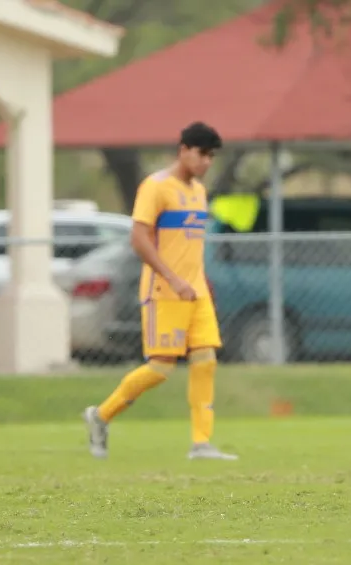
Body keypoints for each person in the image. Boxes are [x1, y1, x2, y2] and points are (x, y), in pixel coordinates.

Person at [83, 122, 237, 461]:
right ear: (184, 149)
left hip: (196, 293)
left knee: (205, 361)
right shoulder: (156, 187)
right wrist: (173, 277)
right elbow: (139, 239)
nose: (207, 162)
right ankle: (100, 416)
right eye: (202, 154)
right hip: (164, 291)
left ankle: (201, 443)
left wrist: (197, 281)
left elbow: (189, 245)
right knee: (160, 368)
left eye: (212, 156)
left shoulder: (198, 190)